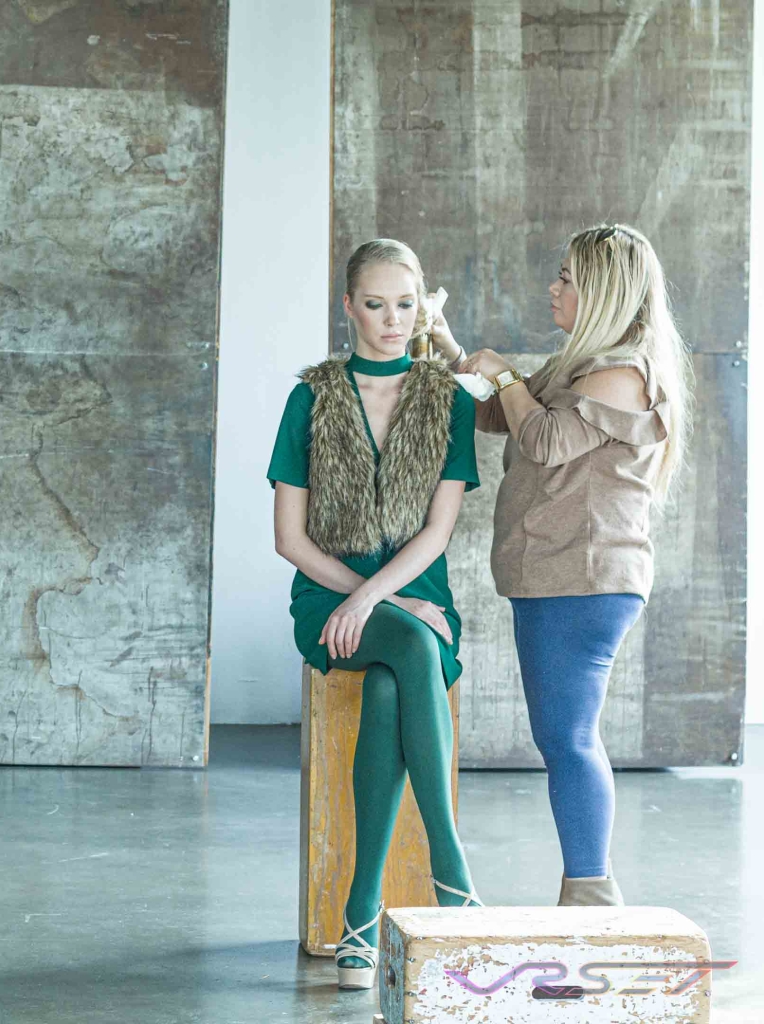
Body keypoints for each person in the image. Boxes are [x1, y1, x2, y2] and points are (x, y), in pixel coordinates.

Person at [435, 224, 692, 906]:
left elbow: (544, 439)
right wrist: (449, 346)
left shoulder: (623, 372)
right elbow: (499, 417)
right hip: (556, 576)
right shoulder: (579, 365)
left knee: (569, 736)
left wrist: (506, 373)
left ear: (604, 292)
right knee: (563, 735)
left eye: (568, 278)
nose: (554, 287)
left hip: (585, 577)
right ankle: (587, 884)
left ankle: (591, 888)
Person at [268, 239, 482, 991]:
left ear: (422, 305)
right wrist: (366, 599)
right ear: (348, 307)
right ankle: (453, 879)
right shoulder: (313, 399)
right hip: (327, 598)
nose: (393, 319)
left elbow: (438, 532)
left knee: (399, 673)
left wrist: (379, 596)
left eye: (406, 303)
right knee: (412, 647)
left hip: (418, 589)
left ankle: (364, 917)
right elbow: (289, 540)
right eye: (374, 303)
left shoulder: (447, 398)